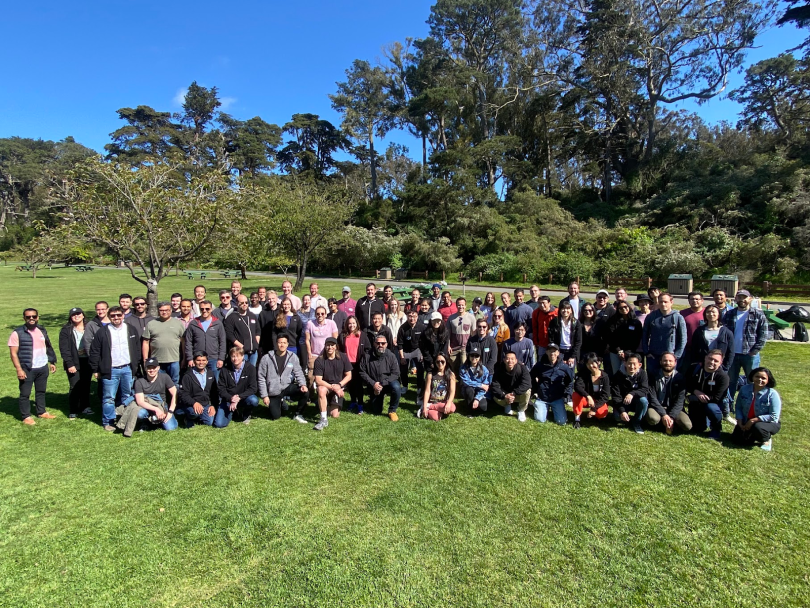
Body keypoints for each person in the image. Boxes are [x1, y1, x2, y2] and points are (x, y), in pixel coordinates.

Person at [88, 306, 140, 431]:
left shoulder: (131, 329)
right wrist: (96, 369)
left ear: (123, 315)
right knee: (109, 398)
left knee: (127, 396)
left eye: (118, 315)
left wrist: (136, 365)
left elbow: (137, 349)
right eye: (113, 316)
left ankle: (124, 420)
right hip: (110, 370)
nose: (116, 317)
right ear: (109, 317)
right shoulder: (103, 332)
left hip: (127, 368)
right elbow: (95, 351)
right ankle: (108, 421)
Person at [8, 308, 58, 425]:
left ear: (37, 317)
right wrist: (19, 369)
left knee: (41, 391)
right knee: (25, 393)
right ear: (24, 318)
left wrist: (52, 361)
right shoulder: (17, 333)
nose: (31, 319)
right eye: (28, 317)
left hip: (42, 366)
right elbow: (13, 353)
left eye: (34, 316)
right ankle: (26, 416)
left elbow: (48, 346)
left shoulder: (41, 330)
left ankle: (41, 411)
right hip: (27, 367)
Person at [723, 289, 767, 408]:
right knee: (731, 381)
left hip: (750, 355)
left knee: (752, 381)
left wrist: (755, 350)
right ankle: (729, 406)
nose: (742, 300)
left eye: (744, 297)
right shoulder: (729, 314)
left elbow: (763, 334)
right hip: (732, 354)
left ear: (750, 299)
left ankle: (750, 405)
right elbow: (724, 333)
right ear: (736, 299)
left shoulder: (757, 314)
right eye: (739, 297)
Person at [258, 336, 308, 422]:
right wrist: (264, 396)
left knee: (305, 392)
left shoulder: (292, 357)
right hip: (273, 390)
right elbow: (261, 377)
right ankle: (280, 402)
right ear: (276, 343)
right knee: (275, 416)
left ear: (287, 344)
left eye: (284, 343)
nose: (282, 345)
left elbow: (298, 372)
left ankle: (298, 414)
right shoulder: (266, 358)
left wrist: (303, 384)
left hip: (286, 386)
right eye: (280, 342)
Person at [732, 367, 781, 451]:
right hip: (747, 419)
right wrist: (739, 420)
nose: (760, 379)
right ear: (752, 377)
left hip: (767, 423)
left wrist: (753, 420)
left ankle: (766, 439)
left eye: (763, 378)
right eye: (757, 376)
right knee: (737, 440)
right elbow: (738, 406)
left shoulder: (772, 394)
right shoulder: (744, 389)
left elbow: (774, 416)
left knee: (758, 427)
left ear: (768, 380)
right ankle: (753, 434)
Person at [686, 350, 730, 440]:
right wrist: (695, 391)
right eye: (710, 358)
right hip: (697, 403)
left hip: (714, 404)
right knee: (698, 429)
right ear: (705, 358)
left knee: (711, 408)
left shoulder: (723, 377)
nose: (712, 362)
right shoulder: (694, 368)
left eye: (716, 361)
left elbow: (717, 398)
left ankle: (716, 428)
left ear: (721, 363)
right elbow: (686, 383)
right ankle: (703, 422)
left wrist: (695, 397)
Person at [58, 307, 93, 419]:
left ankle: (85, 406)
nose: (76, 316)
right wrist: (70, 364)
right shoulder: (66, 330)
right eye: (74, 315)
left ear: (83, 315)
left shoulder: (89, 327)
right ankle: (73, 409)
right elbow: (64, 349)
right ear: (70, 317)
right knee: (75, 385)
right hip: (74, 361)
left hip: (87, 360)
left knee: (86, 384)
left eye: (78, 314)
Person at [644, 352, 690, 434]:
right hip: (657, 407)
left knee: (687, 425)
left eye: (670, 361)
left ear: (675, 363)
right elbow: (652, 398)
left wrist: (671, 416)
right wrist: (664, 415)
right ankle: (664, 423)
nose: (667, 363)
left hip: (673, 408)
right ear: (660, 362)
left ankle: (668, 422)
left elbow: (680, 401)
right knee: (653, 419)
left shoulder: (681, 378)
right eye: (665, 361)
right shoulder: (653, 375)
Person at [130, 357, 179, 434]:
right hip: (146, 406)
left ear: (158, 368)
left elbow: (174, 393)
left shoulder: (165, 377)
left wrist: (170, 412)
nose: (151, 370)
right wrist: (156, 409)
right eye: (149, 368)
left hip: (161, 404)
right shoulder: (139, 381)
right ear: (145, 369)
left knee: (171, 428)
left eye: (154, 367)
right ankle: (145, 422)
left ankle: (156, 421)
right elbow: (140, 402)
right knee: (140, 414)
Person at [641, 293, 686, 377]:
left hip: (670, 357)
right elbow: (645, 335)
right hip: (653, 356)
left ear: (671, 302)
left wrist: (676, 355)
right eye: (661, 302)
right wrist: (646, 352)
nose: (663, 304)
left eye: (665, 302)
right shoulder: (651, 316)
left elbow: (683, 338)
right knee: (652, 379)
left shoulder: (678, 317)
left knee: (669, 380)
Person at [312, 337, 352, 430]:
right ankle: (323, 419)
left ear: (336, 346)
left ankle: (323, 404)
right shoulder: (319, 360)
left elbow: (349, 375)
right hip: (326, 386)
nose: (330, 347)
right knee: (321, 390)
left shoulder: (343, 357)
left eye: (332, 345)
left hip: (338, 386)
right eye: (328, 345)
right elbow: (318, 380)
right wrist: (334, 388)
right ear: (325, 346)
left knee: (334, 415)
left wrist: (339, 385)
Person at [359, 334, 401, 420]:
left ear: (386, 344)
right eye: (378, 343)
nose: (380, 345)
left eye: (383, 343)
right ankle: (373, 399)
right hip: (374, 385)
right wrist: (373, 383)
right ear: (374, 344)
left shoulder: (391, 355)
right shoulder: (367, 356)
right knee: (376, 411)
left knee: (397, 387)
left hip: (388, 383)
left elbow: (396, 373)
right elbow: (362, 372)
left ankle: (392, 410)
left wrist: (383, 383)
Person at [142, 301, 186, 384]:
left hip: (174, 359)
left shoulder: (178, 323)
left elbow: (183, 342)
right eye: (162, 310)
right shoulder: (151, 324)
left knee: (174, 382)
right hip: (157, 360)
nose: (164, 312)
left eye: (167, 310)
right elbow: (146, 342)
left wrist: (184, 358)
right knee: (158, 383)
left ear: (171, 310)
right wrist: (145, 359)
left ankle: (174, 397)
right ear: (158, 311)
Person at [215, 346, 259, 427]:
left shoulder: (250, 368)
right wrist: (231, 399)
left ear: (242, 356)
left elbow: (253, 388)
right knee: (219, 424)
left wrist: (239, 397)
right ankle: (233, 412)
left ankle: (246, 413)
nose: (235, 358)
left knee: (254, 400)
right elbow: (221, 389)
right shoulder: (224, 370)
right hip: (228, 399)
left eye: (238, 356)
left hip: (244, 397)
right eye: (233, 356)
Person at [530, 343, 574, 425]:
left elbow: (570, 381)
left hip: (557, 398)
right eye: (550, 351)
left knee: (561, 422)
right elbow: (531, 376)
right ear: (546, 352)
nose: (552, 354)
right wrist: (536, 389)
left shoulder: (564, 367)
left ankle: (555, 409)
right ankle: (543, 407)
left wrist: (567, 394)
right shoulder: (540, 365)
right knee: (540, 420)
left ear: (558, 353)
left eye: (554, 351)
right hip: (543, 398)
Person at [184, 300, 226, 381]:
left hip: (214, 358)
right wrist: (190, 358)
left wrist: (221, 358)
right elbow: (188, 342)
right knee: (198, 382)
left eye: (207, 309)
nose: (204, 311)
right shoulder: (193, 323)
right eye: (202, 309)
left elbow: (222, 342)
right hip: (198, 359)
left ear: (211, 309)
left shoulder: (217, 323)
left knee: (214, 382)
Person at [610, 352, 650, 434]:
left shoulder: (643, 374)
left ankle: (636, 421)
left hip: (636, 401)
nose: (631, 367)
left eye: (634, 364)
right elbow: (616, 396)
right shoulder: (617, 376)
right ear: (625, 363)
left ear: (640, 365)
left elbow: (645, 389)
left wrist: (632, 394)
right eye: (629, 363)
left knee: (644, 401)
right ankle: (625, 415)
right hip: (622, 402)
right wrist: (622, 411)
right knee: (618, 418)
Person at [338, 316, 371, 413]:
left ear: (357, 324)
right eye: (349, 323)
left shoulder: (362, 335)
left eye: (353, 323)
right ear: (346, 325)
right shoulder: (342, 335)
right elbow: (339, 349)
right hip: (347, 364)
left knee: (358, 385)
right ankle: (353, 401)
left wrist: (364, 360)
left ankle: (360, 403)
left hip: (358, 364)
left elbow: (368, 348)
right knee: (350, 385)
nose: (351, 325)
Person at [690, 305, 734, 372]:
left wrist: (726, 367)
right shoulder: (699, 331)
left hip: (720, 367)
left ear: (719, 314)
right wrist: (696, 363)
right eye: (708, 312)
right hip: (702, 366)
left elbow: (731, 351)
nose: (711, 314)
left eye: (713, 312)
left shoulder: (726, 332)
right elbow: (693, 349)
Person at [180, 351, 218, 427]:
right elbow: (183, 394)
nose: (201, 363)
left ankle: (198, 417)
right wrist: (194, 403)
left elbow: (214, 392)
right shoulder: (187, 375)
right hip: (192, 404)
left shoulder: (210, 374)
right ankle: (188, 418)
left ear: (207, 361)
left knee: (209, 422)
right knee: (194, 413)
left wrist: (213, 405)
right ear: (194, 361)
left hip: (205, 404)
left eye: (203, 360)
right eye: (198, 360)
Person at [491, 350, 532, 422]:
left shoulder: (522, 368)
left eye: (512, 359)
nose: (510, 361)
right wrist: (504, 396)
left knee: (527, 391)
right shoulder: (499, 369)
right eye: (507, 358)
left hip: (517, 394)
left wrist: (514, 393)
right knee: (494, 394)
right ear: (504, 360)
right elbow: (495, 385)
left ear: (516, 361)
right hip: (505, 393)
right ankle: (507, 404)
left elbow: (527, 383)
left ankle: (521, 410)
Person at [572, 353, 611, 428]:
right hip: (587, 400)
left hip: (598, 401)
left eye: (593, 363)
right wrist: (588, 396)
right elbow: (577, 386)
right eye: (588, 364)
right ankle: (577, 419)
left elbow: (606, 396)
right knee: (576, 395)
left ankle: (596, 415)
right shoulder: (584, 373)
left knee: (601, 413)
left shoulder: (605, 376)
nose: (590, 366)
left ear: (598, 362)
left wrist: (594, 408)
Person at [604, 301, 642, 373]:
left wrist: (627, 352)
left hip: (630, 352)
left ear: (629, 307)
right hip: (615, 351)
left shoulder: (636, 322)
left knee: (627, 372)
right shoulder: (613, 321)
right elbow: (610, 337)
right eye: (620, 308)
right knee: (616, 372)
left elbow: (637, 339)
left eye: (625, 307)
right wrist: (619, 351)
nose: (623, 309)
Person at [224, 294, 261, 367]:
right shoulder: (231, 317)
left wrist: (256, 342)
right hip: (241, 352)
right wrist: (241, 346)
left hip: (253, 352)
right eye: (242, 303)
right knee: (241, 371)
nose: (244, 304)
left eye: (246, 303)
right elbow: (229, 335)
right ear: (237, 304)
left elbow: (257, 330)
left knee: (251, 371)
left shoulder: (252, 316)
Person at [305, 306, 339, 384]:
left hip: (328, 354)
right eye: (318, 314)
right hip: (314, 354)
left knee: (328, 375)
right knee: (310, 377)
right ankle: (310, 395)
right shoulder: (310, 323)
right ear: (315, 315)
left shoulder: (331, 323)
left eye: (322, 313)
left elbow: (335, 339)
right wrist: (309, 353)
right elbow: (307, 340)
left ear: (326, 315)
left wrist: (333, 352)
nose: (320, 315)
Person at [397, 309, 425, 397]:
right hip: (405, 351)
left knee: (420, 369)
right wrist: (402, 357)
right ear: (407, 317)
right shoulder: (402, 328)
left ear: (417, 317)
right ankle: (405, 386)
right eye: (410, 316)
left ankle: (419, 387)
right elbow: (400, 344)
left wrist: (423, 354)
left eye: (414, 317)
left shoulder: (422, 327)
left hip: (417, 350)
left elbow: (424, 342)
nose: (412, 319)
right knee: (403, 370)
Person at [421, 353, 457, 421]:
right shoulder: (430, 374)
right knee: (436, 418)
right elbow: (427, 391)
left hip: (444, 402)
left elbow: (452, 391)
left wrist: (449, 403)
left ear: (446, 362)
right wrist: (425, 406)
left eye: (442, 361)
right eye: (438, 362)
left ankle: (431, 408)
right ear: (435, 363)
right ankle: (429, 407)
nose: (440, 363)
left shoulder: (451, 375)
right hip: (433, 401)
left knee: (452, 408)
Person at [547, 301, 582, 367]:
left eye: (567, 308)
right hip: (559, 351)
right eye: (563, 308)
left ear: (571, 310)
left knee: (569, 372)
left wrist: (572, 356)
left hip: (571, 352)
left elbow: (578, 341)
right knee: (558, 371)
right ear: (559, 310)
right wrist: (556, 353)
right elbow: (551, 338)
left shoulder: (576, 323)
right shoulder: (554, 322)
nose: (565, 310)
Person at [459, 345, 491, 416]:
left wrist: (477, 398)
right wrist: (480, 385)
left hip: (479, 392)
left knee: (483, 408)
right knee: (469, 390)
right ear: (468, 356)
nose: (474, 358)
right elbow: (466, 382)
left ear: (480, 358)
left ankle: (474, 403)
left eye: (476, 356)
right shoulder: (463, 368)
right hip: (468, 390)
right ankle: (469, 411)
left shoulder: (484, 370)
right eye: (472, 355)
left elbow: (485, 387)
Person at [447, 297, 475, 375]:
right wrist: (448, 346)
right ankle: (454, 382)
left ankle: (463, 384)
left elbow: (474, 333)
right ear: (456, 306)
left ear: (465, 306)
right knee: (452, 366)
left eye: (462, 305)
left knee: (464, 366)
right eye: (459, 305)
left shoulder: (471, 317)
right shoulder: (451, 318)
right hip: (454, 347)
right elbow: (448, 334)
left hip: (465, 347)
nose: (461, 307)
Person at [679, 291, 705, 370]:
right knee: (685, 372)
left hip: (703, 349)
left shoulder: (707, 312)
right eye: (692, 299)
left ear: (702, 300)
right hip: (687, 349)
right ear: (689, 301)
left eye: (697, 299)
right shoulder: (682, 313)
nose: (694, 301)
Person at [531, 296, 558, 360]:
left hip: (554, 343)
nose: (542, 305)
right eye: (540, 303)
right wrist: (536, 342)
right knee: (541, 362)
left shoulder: (557, 312)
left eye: (544, 303)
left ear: (549, 303)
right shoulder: (536, 313)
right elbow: (534, 328)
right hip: (542, 343)